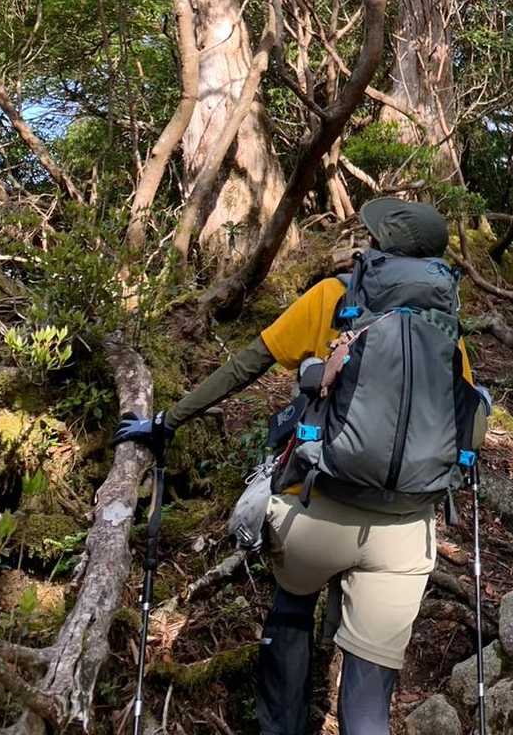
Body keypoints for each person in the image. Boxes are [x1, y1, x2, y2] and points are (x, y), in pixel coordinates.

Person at [114, 198, 487, 735]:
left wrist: (166, 422)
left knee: (292, 603)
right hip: (405, 531)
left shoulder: (335, 296)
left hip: (316, 513)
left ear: (380, 246)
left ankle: (282, 719)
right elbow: (469, 421)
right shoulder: (444, 325)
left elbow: (247, 365)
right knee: (369, 696)